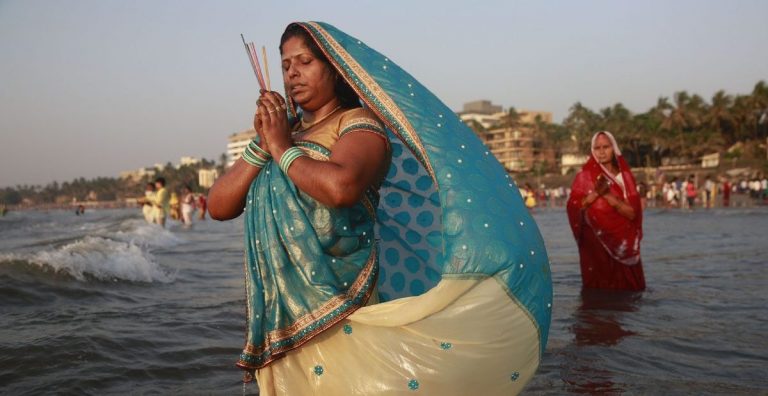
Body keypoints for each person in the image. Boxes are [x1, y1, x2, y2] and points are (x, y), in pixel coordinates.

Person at [208, 22, 552, 395]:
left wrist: (280, 149)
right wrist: (263, 143)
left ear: (335, 68)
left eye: (305, 61)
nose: (292, 72)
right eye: (286, 63)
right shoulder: (280, 134)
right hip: (284, 311)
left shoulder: (356, 124)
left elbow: (342, 187)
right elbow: (219, 206)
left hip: (341, 303)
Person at [567, 131, 645, 291]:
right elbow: (575, 207)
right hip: (595, 241)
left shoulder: (625, 177)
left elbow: (632, 214)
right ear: (592, 150)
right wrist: (596, 193)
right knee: (598, 291)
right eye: (597, 148)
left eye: (605, 147)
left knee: (627, 290)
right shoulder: (585, 177)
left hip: (623, 240)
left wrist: (608, 195)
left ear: (614, 148)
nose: (601, 151)